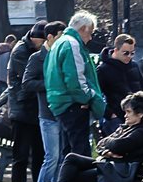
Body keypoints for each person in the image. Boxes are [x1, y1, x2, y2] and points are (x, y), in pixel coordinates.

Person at [43, 10, 106, 156]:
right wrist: (87, 96)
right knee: (80, 153)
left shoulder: (59, 43)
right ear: (83, 28)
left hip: (60, 104)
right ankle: (78, 179)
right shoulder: (72, 44)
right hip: (73, 105)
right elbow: (75, 79)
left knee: (68, 151)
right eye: (90, 32)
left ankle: (66, 179)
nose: (90, 38)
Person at [22, 21, 66, 182]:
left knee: (60, 157)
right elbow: (27, 83)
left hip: (61, 112)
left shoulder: (60, 55)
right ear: (50, 37)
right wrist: (50, 84)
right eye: (59, 36)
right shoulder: (37, 58)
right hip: (47, 113)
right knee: (52, 157)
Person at [8, 21, 47, 182]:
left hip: (35, 109)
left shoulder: (34, 50)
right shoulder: (21, 52)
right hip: (23, 111)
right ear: (36, 38)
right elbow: (28, 80)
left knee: (39, 155)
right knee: (21, 155)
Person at [97, 33, 143, 136]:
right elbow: (96, 94)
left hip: (136, 116)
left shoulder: (134, 66)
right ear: (116, 50)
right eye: (126, 53)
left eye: (132, 53)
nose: (129, 56)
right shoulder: (103, 69)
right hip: (116, 117)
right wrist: (109, 114)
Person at [0, 34, 17, 101]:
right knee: (4, 93)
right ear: (12, 42)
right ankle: (1, 105)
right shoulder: (10, 52)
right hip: (5, 75)